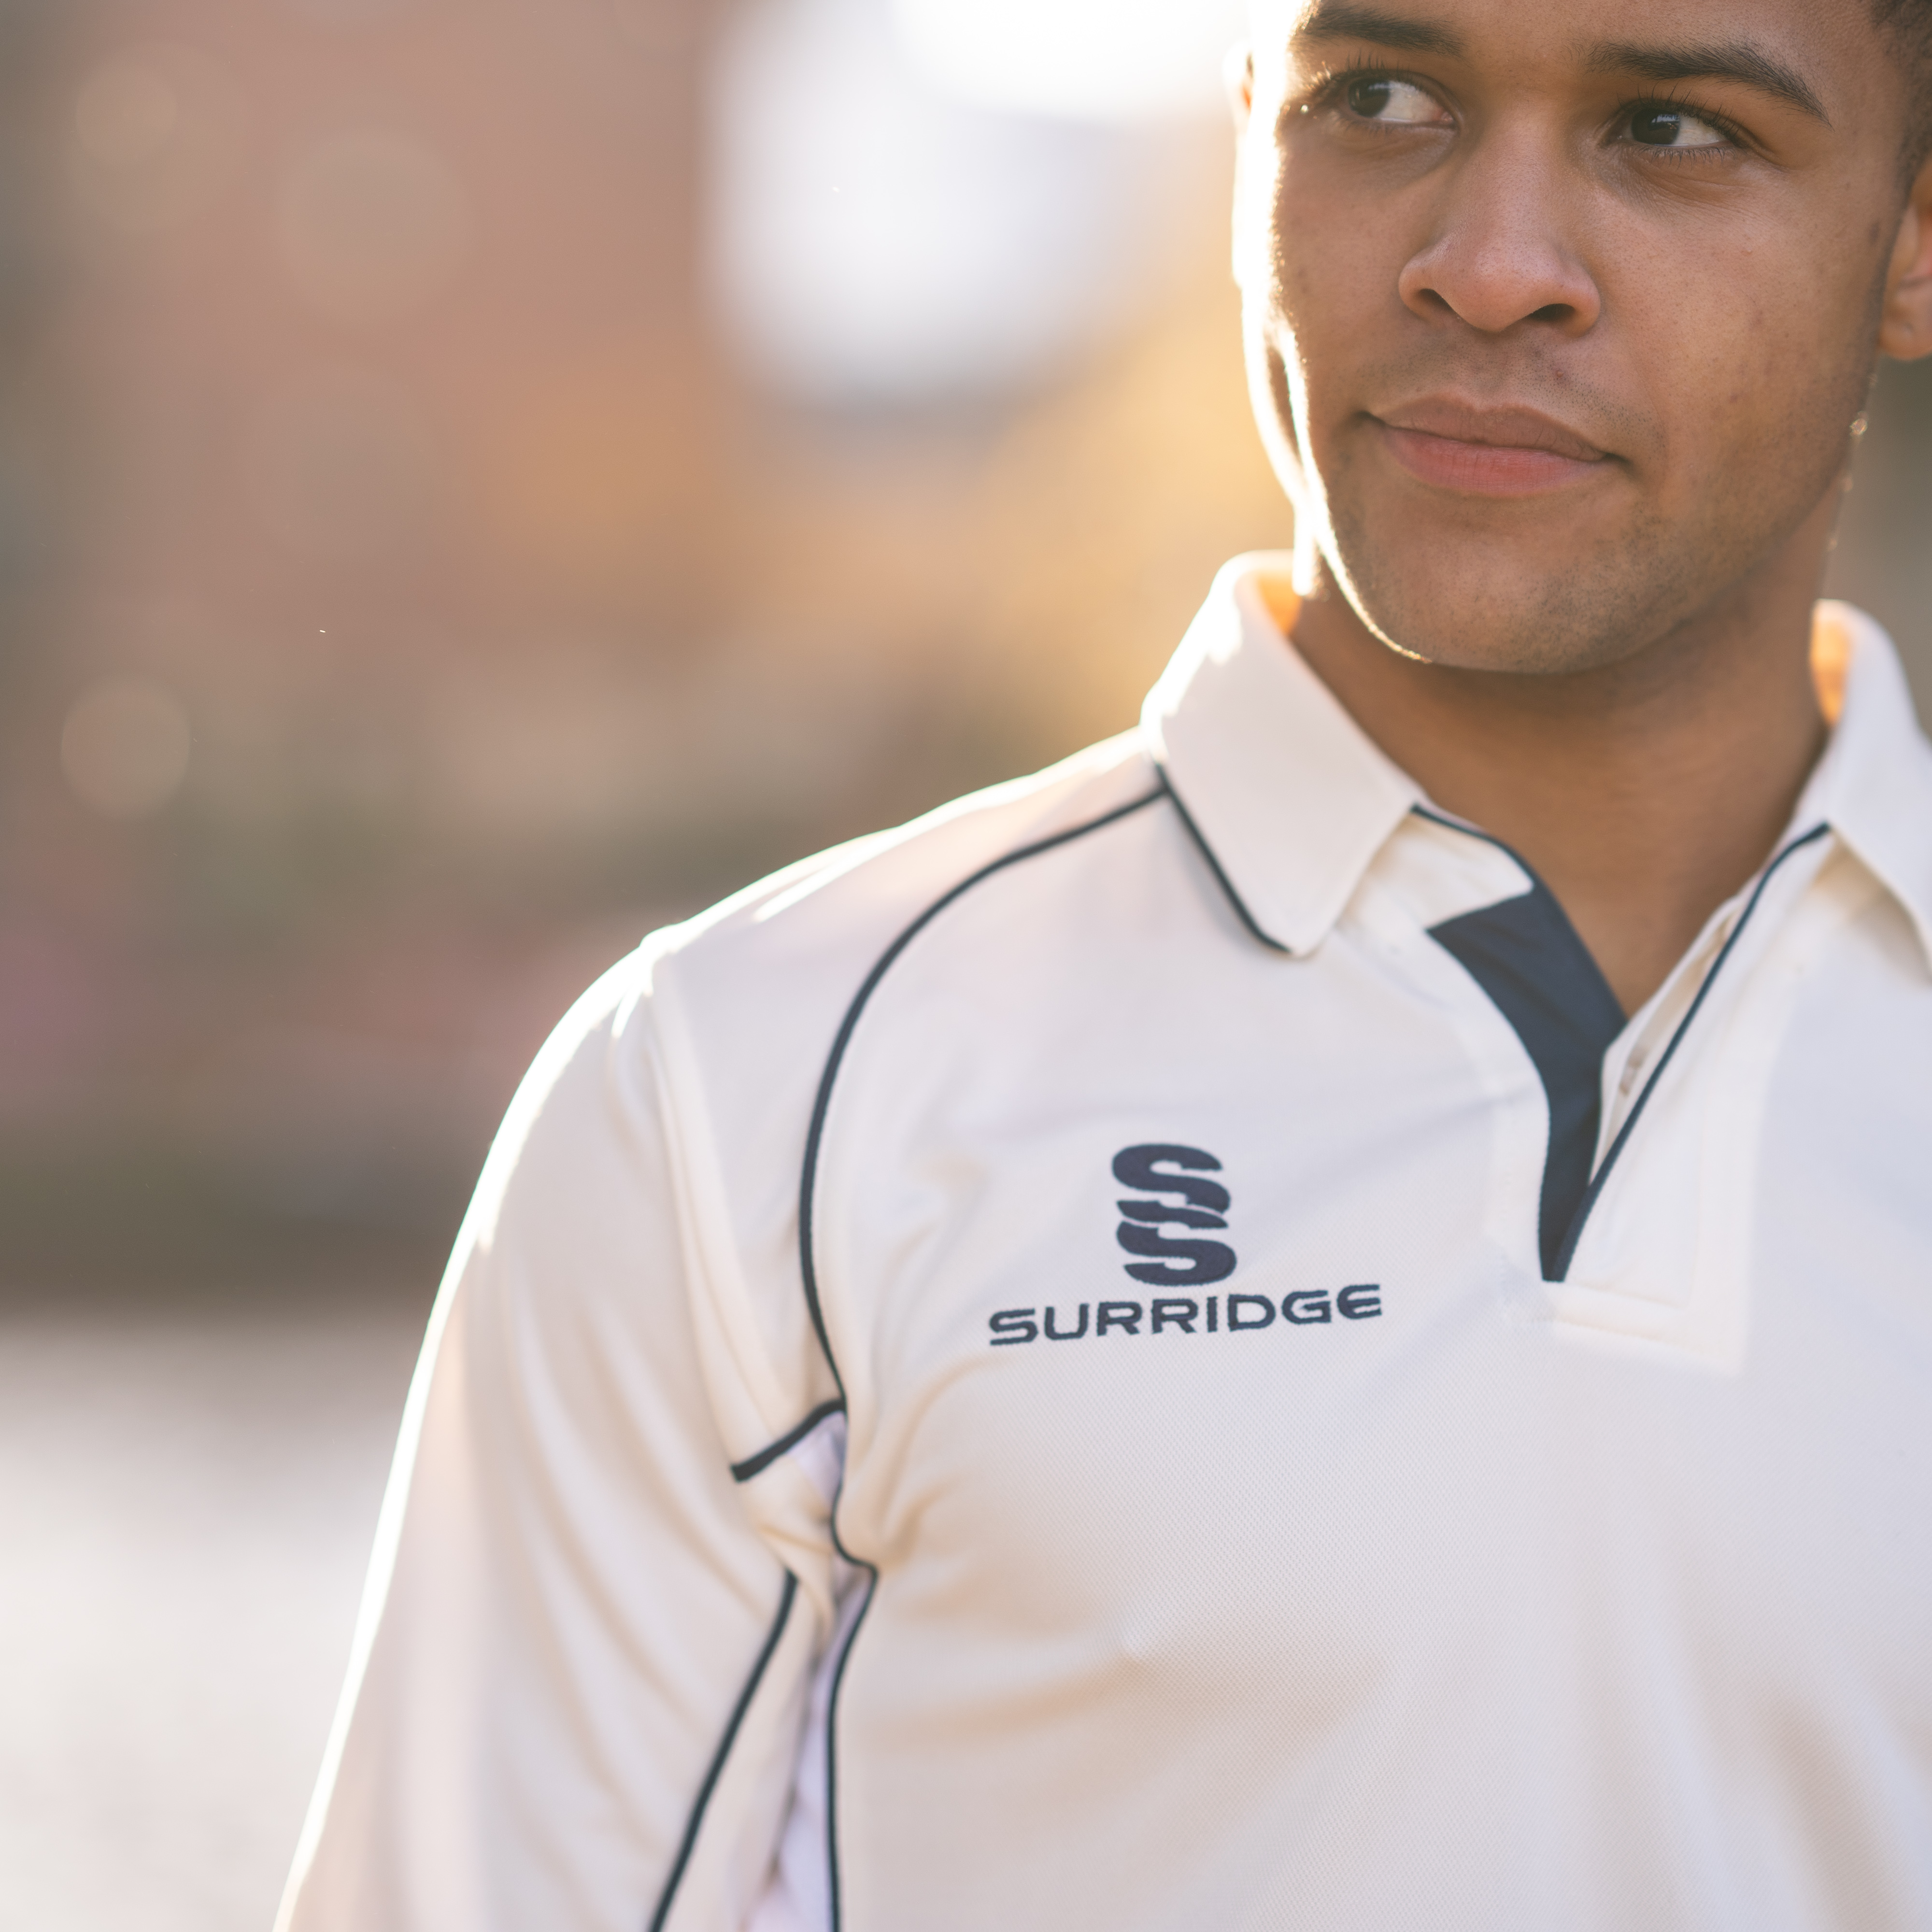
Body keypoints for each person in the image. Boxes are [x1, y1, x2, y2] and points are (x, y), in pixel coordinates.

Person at [278, 0, 1932, 1925]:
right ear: (1249, 143)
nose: (1487, 267)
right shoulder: (749, 1086)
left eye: (1673, 131)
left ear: (1910, 236)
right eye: (1379, 99)